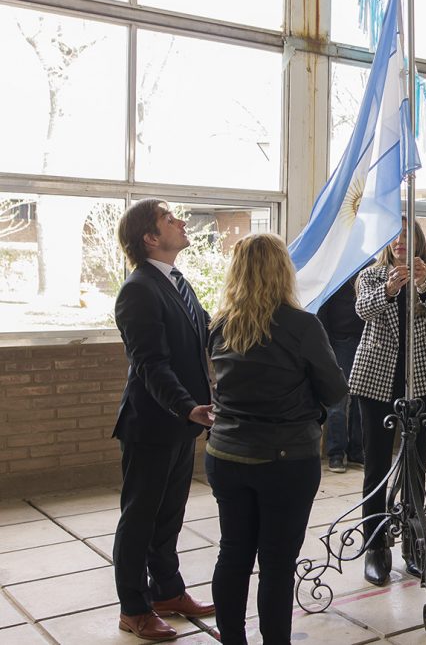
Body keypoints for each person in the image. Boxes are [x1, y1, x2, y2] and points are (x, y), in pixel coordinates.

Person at [206, 234, 348, 645]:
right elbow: (335, 391)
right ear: (284, 271)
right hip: (286, 460)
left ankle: (232, 639)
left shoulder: (219, 325)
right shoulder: (302, 325)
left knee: (232, 553)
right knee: (277, 565)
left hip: (226, 453)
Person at [112, 199, 216, 641]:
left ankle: (167, 591)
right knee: (140, 518)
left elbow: (205, 335)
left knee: (169, 515)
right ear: (150, 238)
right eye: (168, 218)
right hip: (153, 424)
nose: (180, 221)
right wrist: (186, 406)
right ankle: (133, 607)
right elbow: (151, 363)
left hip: (180, 422)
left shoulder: (176, 281)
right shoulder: (138, 289)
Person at [349, 219, 426, 586]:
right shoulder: (371, 276)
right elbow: (362, 310)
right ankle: (376, 547)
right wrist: (390, 291)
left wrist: (423, 284)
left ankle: (413, 541)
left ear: (418, 241)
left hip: (423, 378)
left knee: (415, 466)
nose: (399, 241)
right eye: (394, 235)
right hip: (377, 377)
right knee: (375, 465)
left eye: (407, 235)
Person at [317, 275, 366, 473]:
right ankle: (336, 454)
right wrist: (326, 345)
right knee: (338, 402)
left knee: (361, 401)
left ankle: (356, 453)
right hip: (340, 343)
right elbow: (323, 312)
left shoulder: (369, 268)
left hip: (366, 342)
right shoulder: (337, 272)